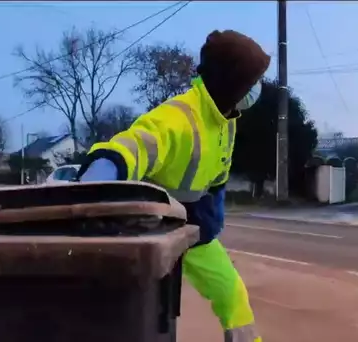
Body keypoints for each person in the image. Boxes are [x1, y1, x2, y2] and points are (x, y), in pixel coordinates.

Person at [76, 29, 270, 342]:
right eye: (251, 82)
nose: (256, 90)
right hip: (155, 228)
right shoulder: (180, 116)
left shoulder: (226, 118)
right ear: (231, 83)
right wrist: (99, 175)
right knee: (143, 310)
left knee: (232, 295)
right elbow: (135, 145)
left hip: (196, 229)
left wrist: (211, 216)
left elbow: (216, 175)